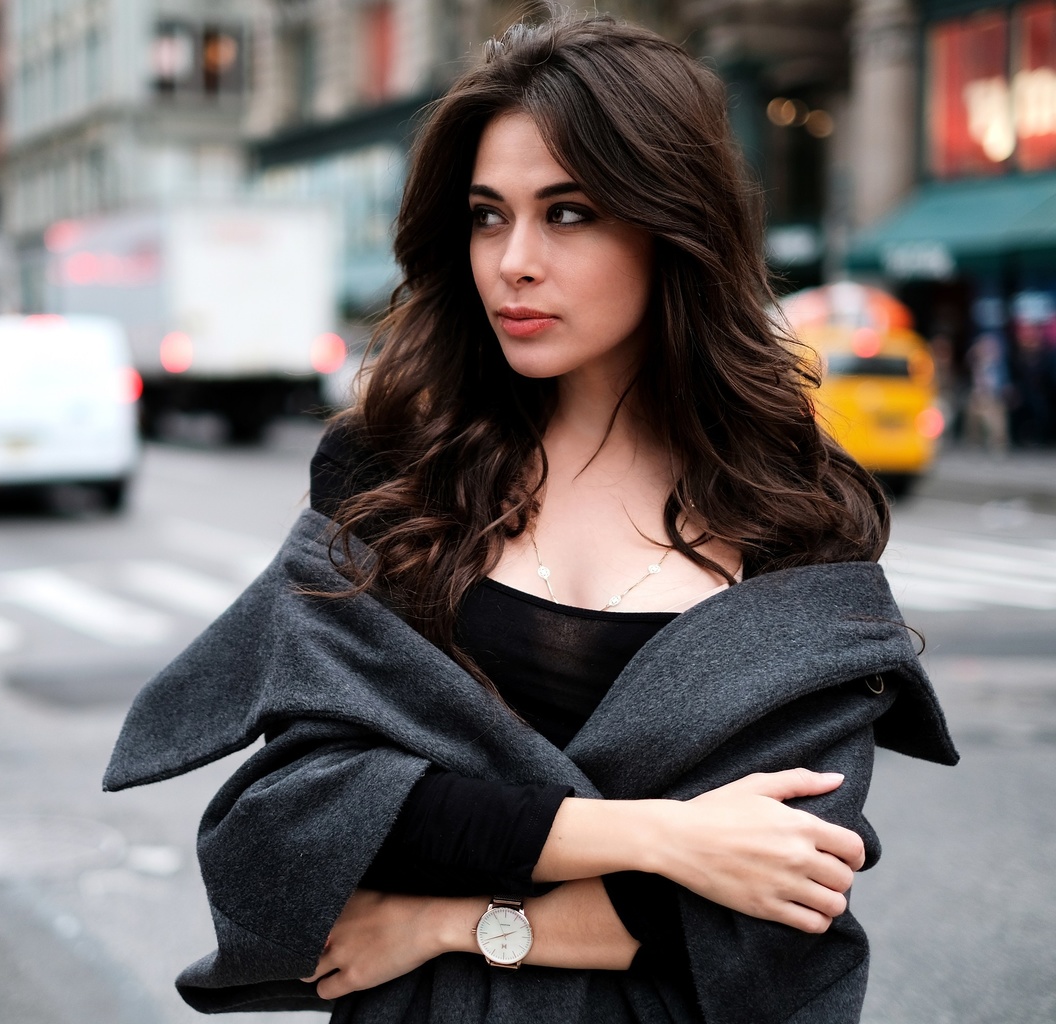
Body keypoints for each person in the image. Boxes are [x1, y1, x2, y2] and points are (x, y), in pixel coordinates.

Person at [105, 14, 957, 1023]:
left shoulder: (793, 519)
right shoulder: (397, 482)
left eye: (566, 213)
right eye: (484, 215)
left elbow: (781, 887)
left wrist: (444, 923)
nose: (511, 260)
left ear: (670, 223)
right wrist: (663, 838)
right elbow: (307, 809)